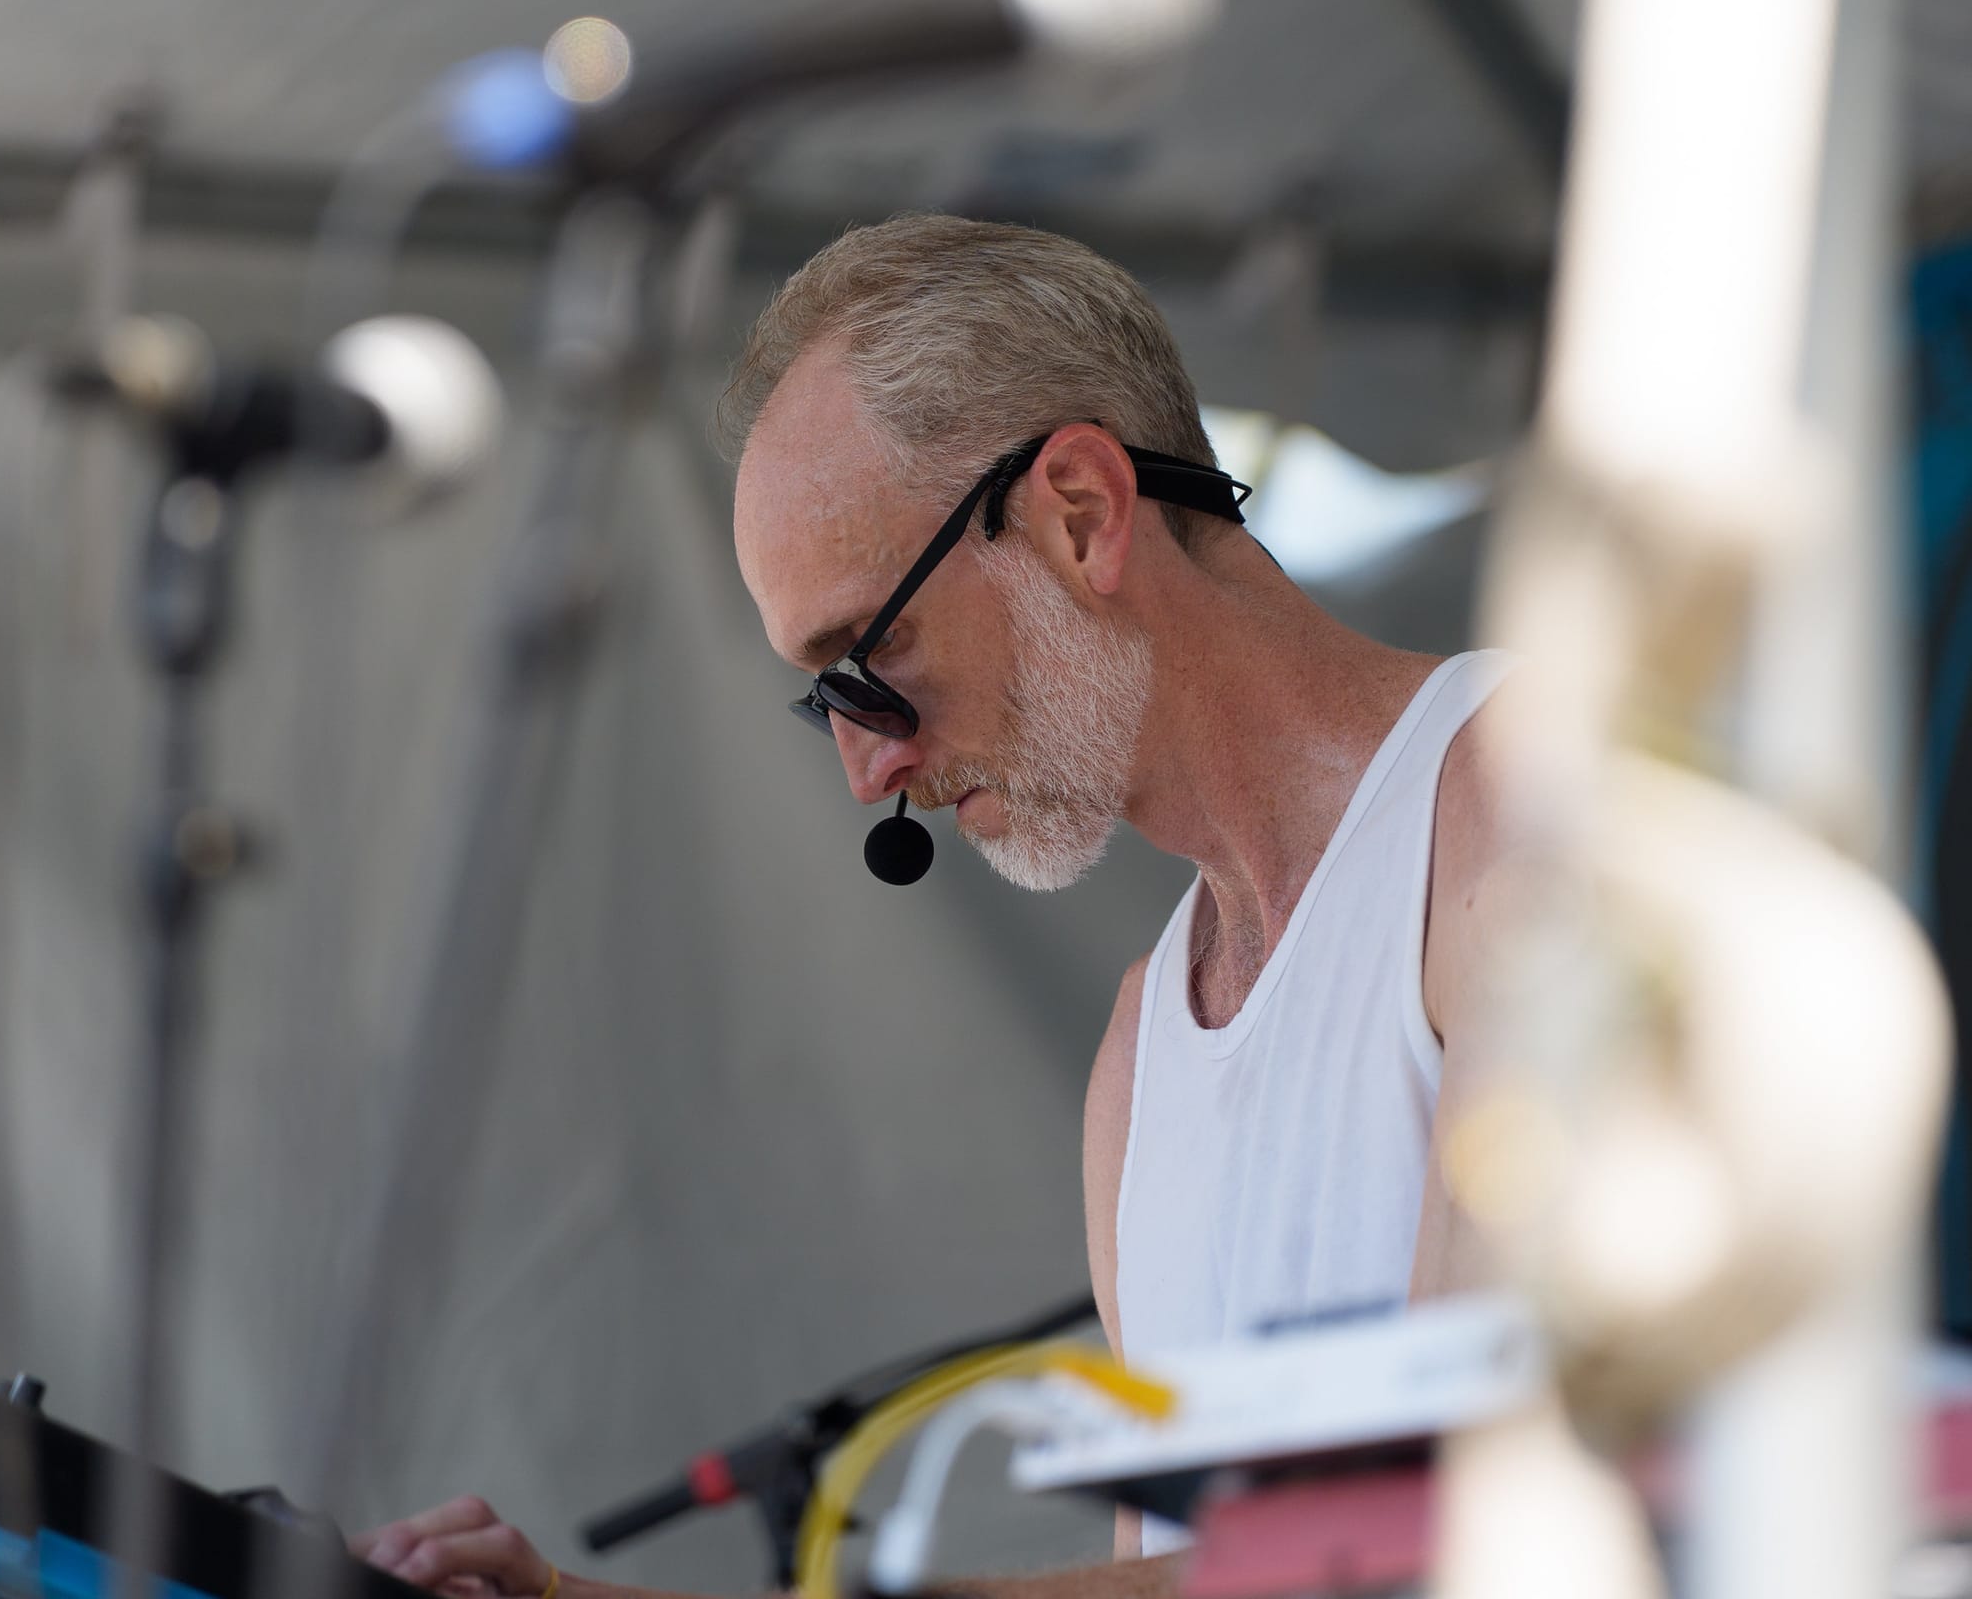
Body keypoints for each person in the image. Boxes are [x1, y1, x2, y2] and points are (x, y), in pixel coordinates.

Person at [355, 214, 1523, 1596]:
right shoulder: (1144, 1056)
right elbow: (1191, 1582)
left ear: (1080, 512)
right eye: (828, 699)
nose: (870, 768)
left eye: (874, 652)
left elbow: (1458, 1530)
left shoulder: (1518, 810)